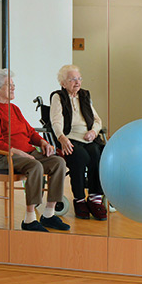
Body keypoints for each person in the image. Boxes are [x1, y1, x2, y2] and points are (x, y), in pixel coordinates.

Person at [0, 69, 70, 233]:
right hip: (4, 157)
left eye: (14, 84)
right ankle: (29, 219)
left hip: (28, 153)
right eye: (9, 85)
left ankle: (49, 214)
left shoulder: (14, 108)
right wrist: (18, 152)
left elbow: (30, 132)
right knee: (34, 166)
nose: (14, 87)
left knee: (58, 162)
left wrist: (42, 142)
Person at [49, 64, 107, 220]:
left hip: (88, 137)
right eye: (72, 79)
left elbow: (97, 120)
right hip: (70, 138)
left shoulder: (85, 95)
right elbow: (56, 121)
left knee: (98, 154)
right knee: (79, 157)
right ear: (63, 83)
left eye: (79, 78)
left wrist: (94, 131)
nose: (77, 82)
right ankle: (80, 199)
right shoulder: (58, 97)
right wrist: (61, 137)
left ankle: (95, 199)